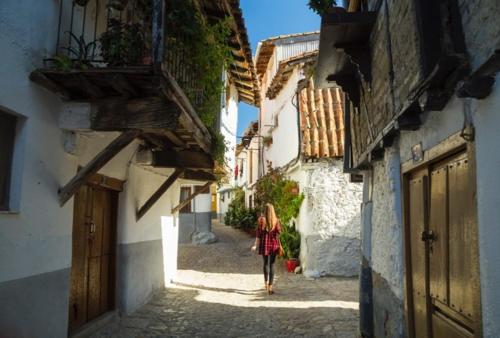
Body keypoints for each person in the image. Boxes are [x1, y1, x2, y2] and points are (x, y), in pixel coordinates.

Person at [251, 203, 281, 295]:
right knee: (272, 265)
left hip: (264, 245)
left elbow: (258, 236)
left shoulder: (261, 221)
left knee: (265, 264)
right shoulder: (276, 221)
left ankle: (265, 284)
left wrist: (255, 245)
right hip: (274, 245)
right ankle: (270, 287)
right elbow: (279, 233)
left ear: (265, 211)